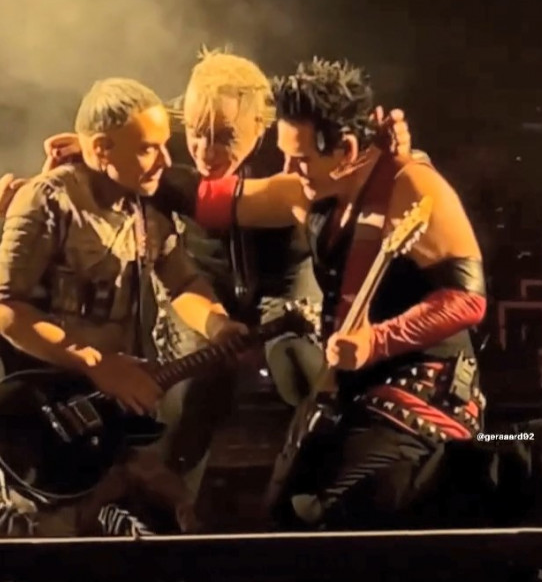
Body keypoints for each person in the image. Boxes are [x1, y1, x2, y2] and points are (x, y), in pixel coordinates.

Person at [183, 58, 488, 529]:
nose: (289, 168)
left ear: (346, 149)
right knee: (283, 517)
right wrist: (99, 153)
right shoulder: (310, 190)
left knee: (337, 517)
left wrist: (376, 341)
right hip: (351, 393)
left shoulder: (410, 184)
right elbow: (209, 200)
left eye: (301, 159)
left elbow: (467, 299)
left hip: (422, 398)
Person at [0, 77, 248, 538]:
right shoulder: (48, 200)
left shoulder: (145, 211)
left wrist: (218, 325)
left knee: (169, 515)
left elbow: (182, 280)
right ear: (102, 149)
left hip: (108, 408)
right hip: (37, 406)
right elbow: (2, 309)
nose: (165, 161)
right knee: (40, 535)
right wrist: (96, 363)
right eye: (148, 148)